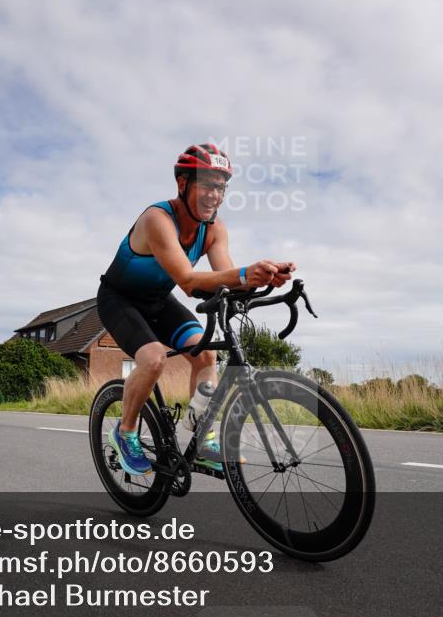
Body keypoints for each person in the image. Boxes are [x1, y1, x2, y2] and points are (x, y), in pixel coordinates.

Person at [97, 143, 296, 474]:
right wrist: (246, 273)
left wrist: (266, 277)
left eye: (220, 187)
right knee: (153, 359)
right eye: (206, 184)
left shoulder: (214, 229)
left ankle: (202, 436)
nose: (214, 195)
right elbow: (189, 282)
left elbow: (225, 278)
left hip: (159, 301)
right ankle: (125, 431)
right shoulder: (157, 219)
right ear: (182, 184)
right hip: (120, 299)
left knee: (205, 355)